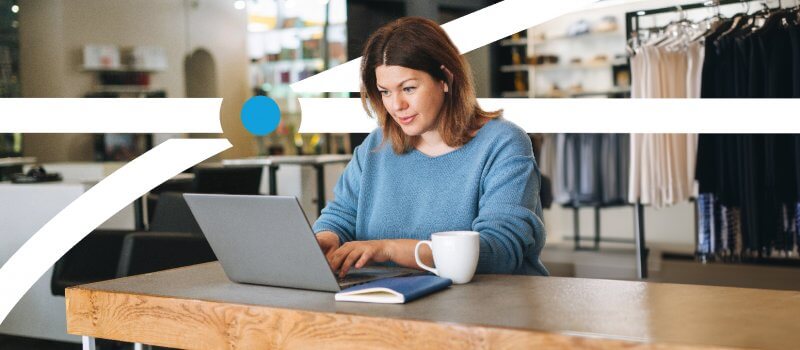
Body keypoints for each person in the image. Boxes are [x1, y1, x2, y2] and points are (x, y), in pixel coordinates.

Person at [313, 17, 548, 278]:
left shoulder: (503, 143)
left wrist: (390, 250)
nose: (396, 105)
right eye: (385, 92)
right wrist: (326, 237)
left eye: (408, 88)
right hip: (394, 303)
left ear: (445, 78)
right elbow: (343, 213)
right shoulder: (377, 146)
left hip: (488, 308)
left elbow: (500, 252)